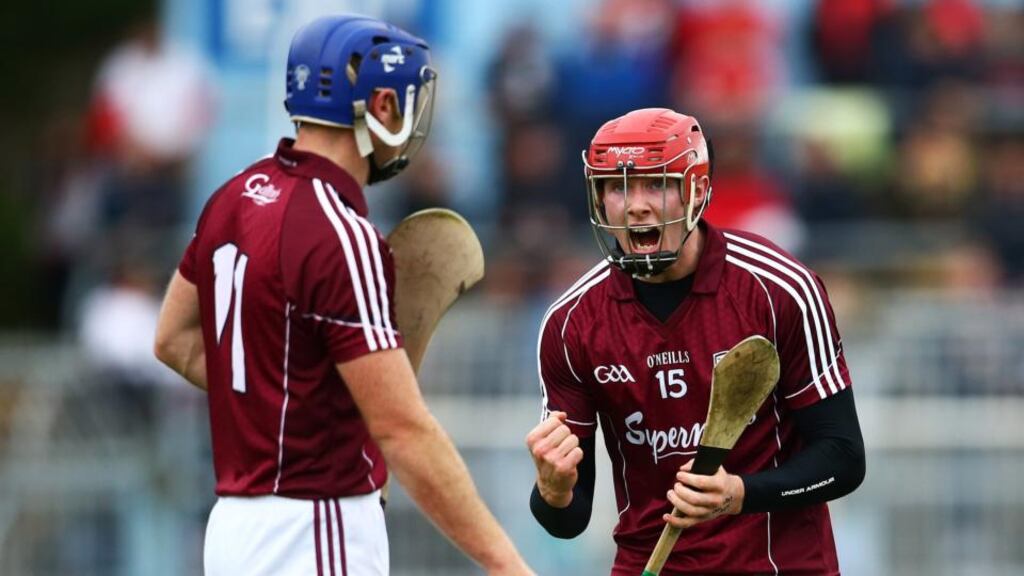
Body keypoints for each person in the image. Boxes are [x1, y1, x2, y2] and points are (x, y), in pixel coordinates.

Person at [154, 15, 533, 576]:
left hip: (232, 532)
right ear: (378, 106)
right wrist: (508, 565)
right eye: (404, 103)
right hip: (316, 529)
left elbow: (172, 340)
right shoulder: (340, 232)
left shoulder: (231, 198)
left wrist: (291, 400)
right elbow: (404, 431)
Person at [526, 108, 865, 575]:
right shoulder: (571, 323)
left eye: (656, 183)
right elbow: (568, 521)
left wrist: (739, 494)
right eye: (616, 186)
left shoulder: (779, 289)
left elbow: (843, 459)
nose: (635, 205)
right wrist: (553, 490)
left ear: (698, 190)